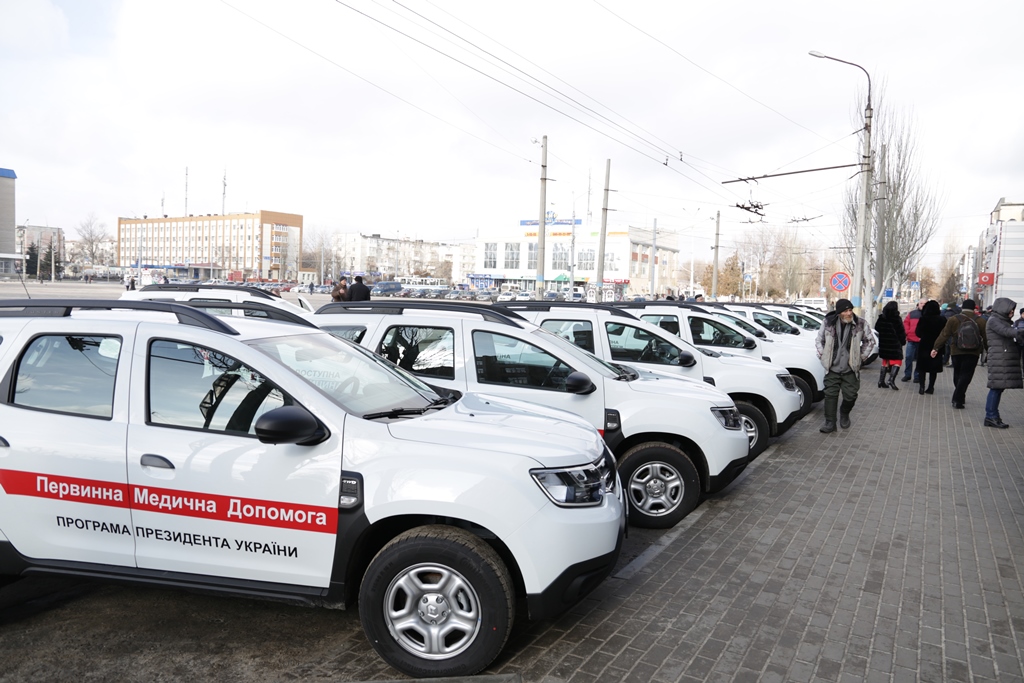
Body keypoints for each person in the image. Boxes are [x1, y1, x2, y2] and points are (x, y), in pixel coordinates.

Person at [814, 298, 877, 433]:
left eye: (850, 310)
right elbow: (819, 340)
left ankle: (844, 412)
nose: (849, 313)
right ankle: (830, 422)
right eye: (845, 311)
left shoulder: (860, 323)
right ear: (839, 312)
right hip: (832, 368)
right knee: (830, 395)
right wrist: (823, 356)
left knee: (851, 396)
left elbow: (870, 341)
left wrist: (860, 358)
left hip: (850, 369)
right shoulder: (828, 323)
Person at [930, 298, 987, 409]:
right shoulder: (981, 321)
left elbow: (944, 334)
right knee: (966, 375)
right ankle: (958, 398)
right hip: (973, 352)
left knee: (958, 374)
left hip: (956, 351)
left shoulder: (953, 319)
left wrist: (936, 347)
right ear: (974, 308)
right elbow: (986, 338)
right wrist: (989, 352)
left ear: (962, 308)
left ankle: (959, 396)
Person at [982, 297, 1022, 428]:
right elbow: (1006, 332)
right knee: (996, 388)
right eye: (1011, 310)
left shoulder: (1001, 320)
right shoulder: (994, 321)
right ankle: (990, 416)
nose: (1012, 313)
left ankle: (993, 416)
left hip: (1001, 358)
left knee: (998, 388)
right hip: (999, 358)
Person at [914, 300, 946, 395]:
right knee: (933, 368)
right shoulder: (942, 319)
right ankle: (931, 387)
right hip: (937, 346)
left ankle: (921, 387)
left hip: (924, 345)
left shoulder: (923, 319)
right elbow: (945, 334)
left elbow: (918, 333)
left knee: (922, 368)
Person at [874, 300, 906, 390]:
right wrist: (903, 341)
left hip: (884, 343)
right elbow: (901, 332)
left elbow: (877, 328)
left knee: (885, 362)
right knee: (898, 361)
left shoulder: (882, 317)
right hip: (894, 344)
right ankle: (891, 380)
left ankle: (881, 381)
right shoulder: (897, 318)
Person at [902, 298, 926, 382]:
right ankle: (907, 375)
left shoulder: (928, 315)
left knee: (920, 359)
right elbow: (905, 323)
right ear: (918, 304)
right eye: (921, 303)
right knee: (908, 357)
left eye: (924, 303)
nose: (922, 305)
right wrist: (908, 332)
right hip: (911, 339)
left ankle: (917, 376)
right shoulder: (912, 314)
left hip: (922, 341)